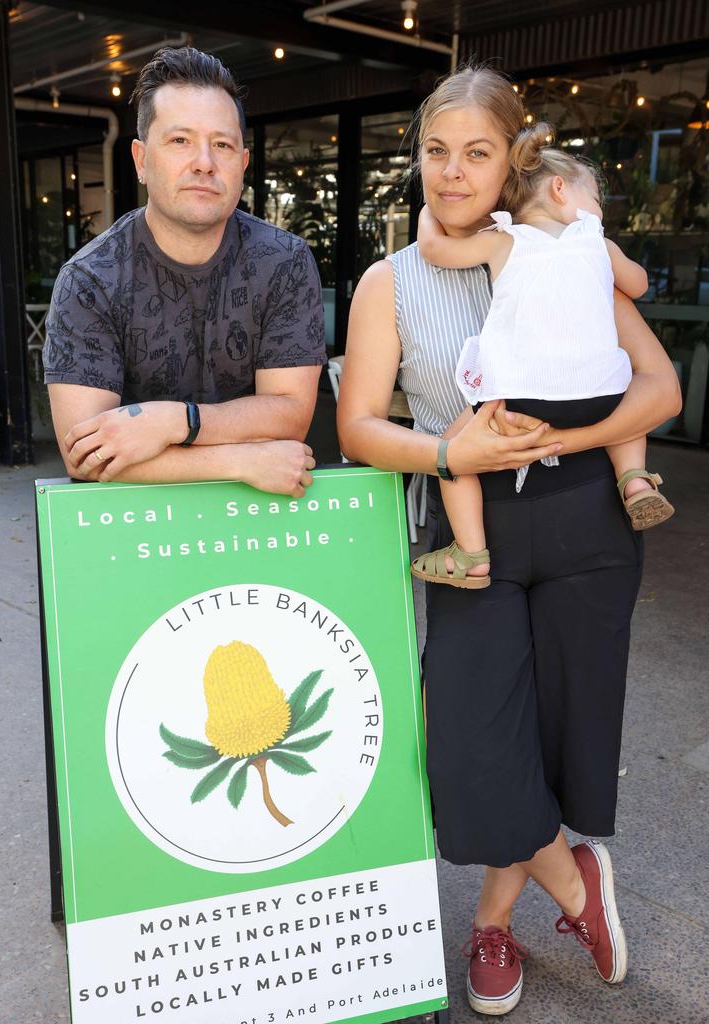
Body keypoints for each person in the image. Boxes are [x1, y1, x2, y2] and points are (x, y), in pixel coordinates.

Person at [337, 66, 681, 1016]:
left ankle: (493, 921)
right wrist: (453, 447)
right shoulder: (390, 280)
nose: (451, 173)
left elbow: (659, 390)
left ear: (511, 162)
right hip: (469, 525)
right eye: (435, 152)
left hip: (585, 518)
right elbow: (359, 428)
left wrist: (569, 437)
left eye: (476, 153)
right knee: (471, 745)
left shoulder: (561, 251)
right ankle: (576, 887)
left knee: (557, 739)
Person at [43, 46, 325, 496]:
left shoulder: (283, 261)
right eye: (180, 141)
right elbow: (86, 455)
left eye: (222, 145)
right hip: (132, 528)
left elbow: (290, 412)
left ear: (243, 164)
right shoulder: (90, 279)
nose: (204, 162)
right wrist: (239, 459)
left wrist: (173, 421)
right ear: (140, 159)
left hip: (255, 520)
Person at [410, 129, 674, 588]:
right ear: (559, 189)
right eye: (594, 199)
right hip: (600, 398)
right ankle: (634, 479)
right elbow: (639, 285)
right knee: (625, 407)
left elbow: (435, 250)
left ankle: (471, 553)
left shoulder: (505, 240)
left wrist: (427, 212)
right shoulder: (596, 242)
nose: (598, 213)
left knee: (451, 457)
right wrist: (608, 259)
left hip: (518, 403)